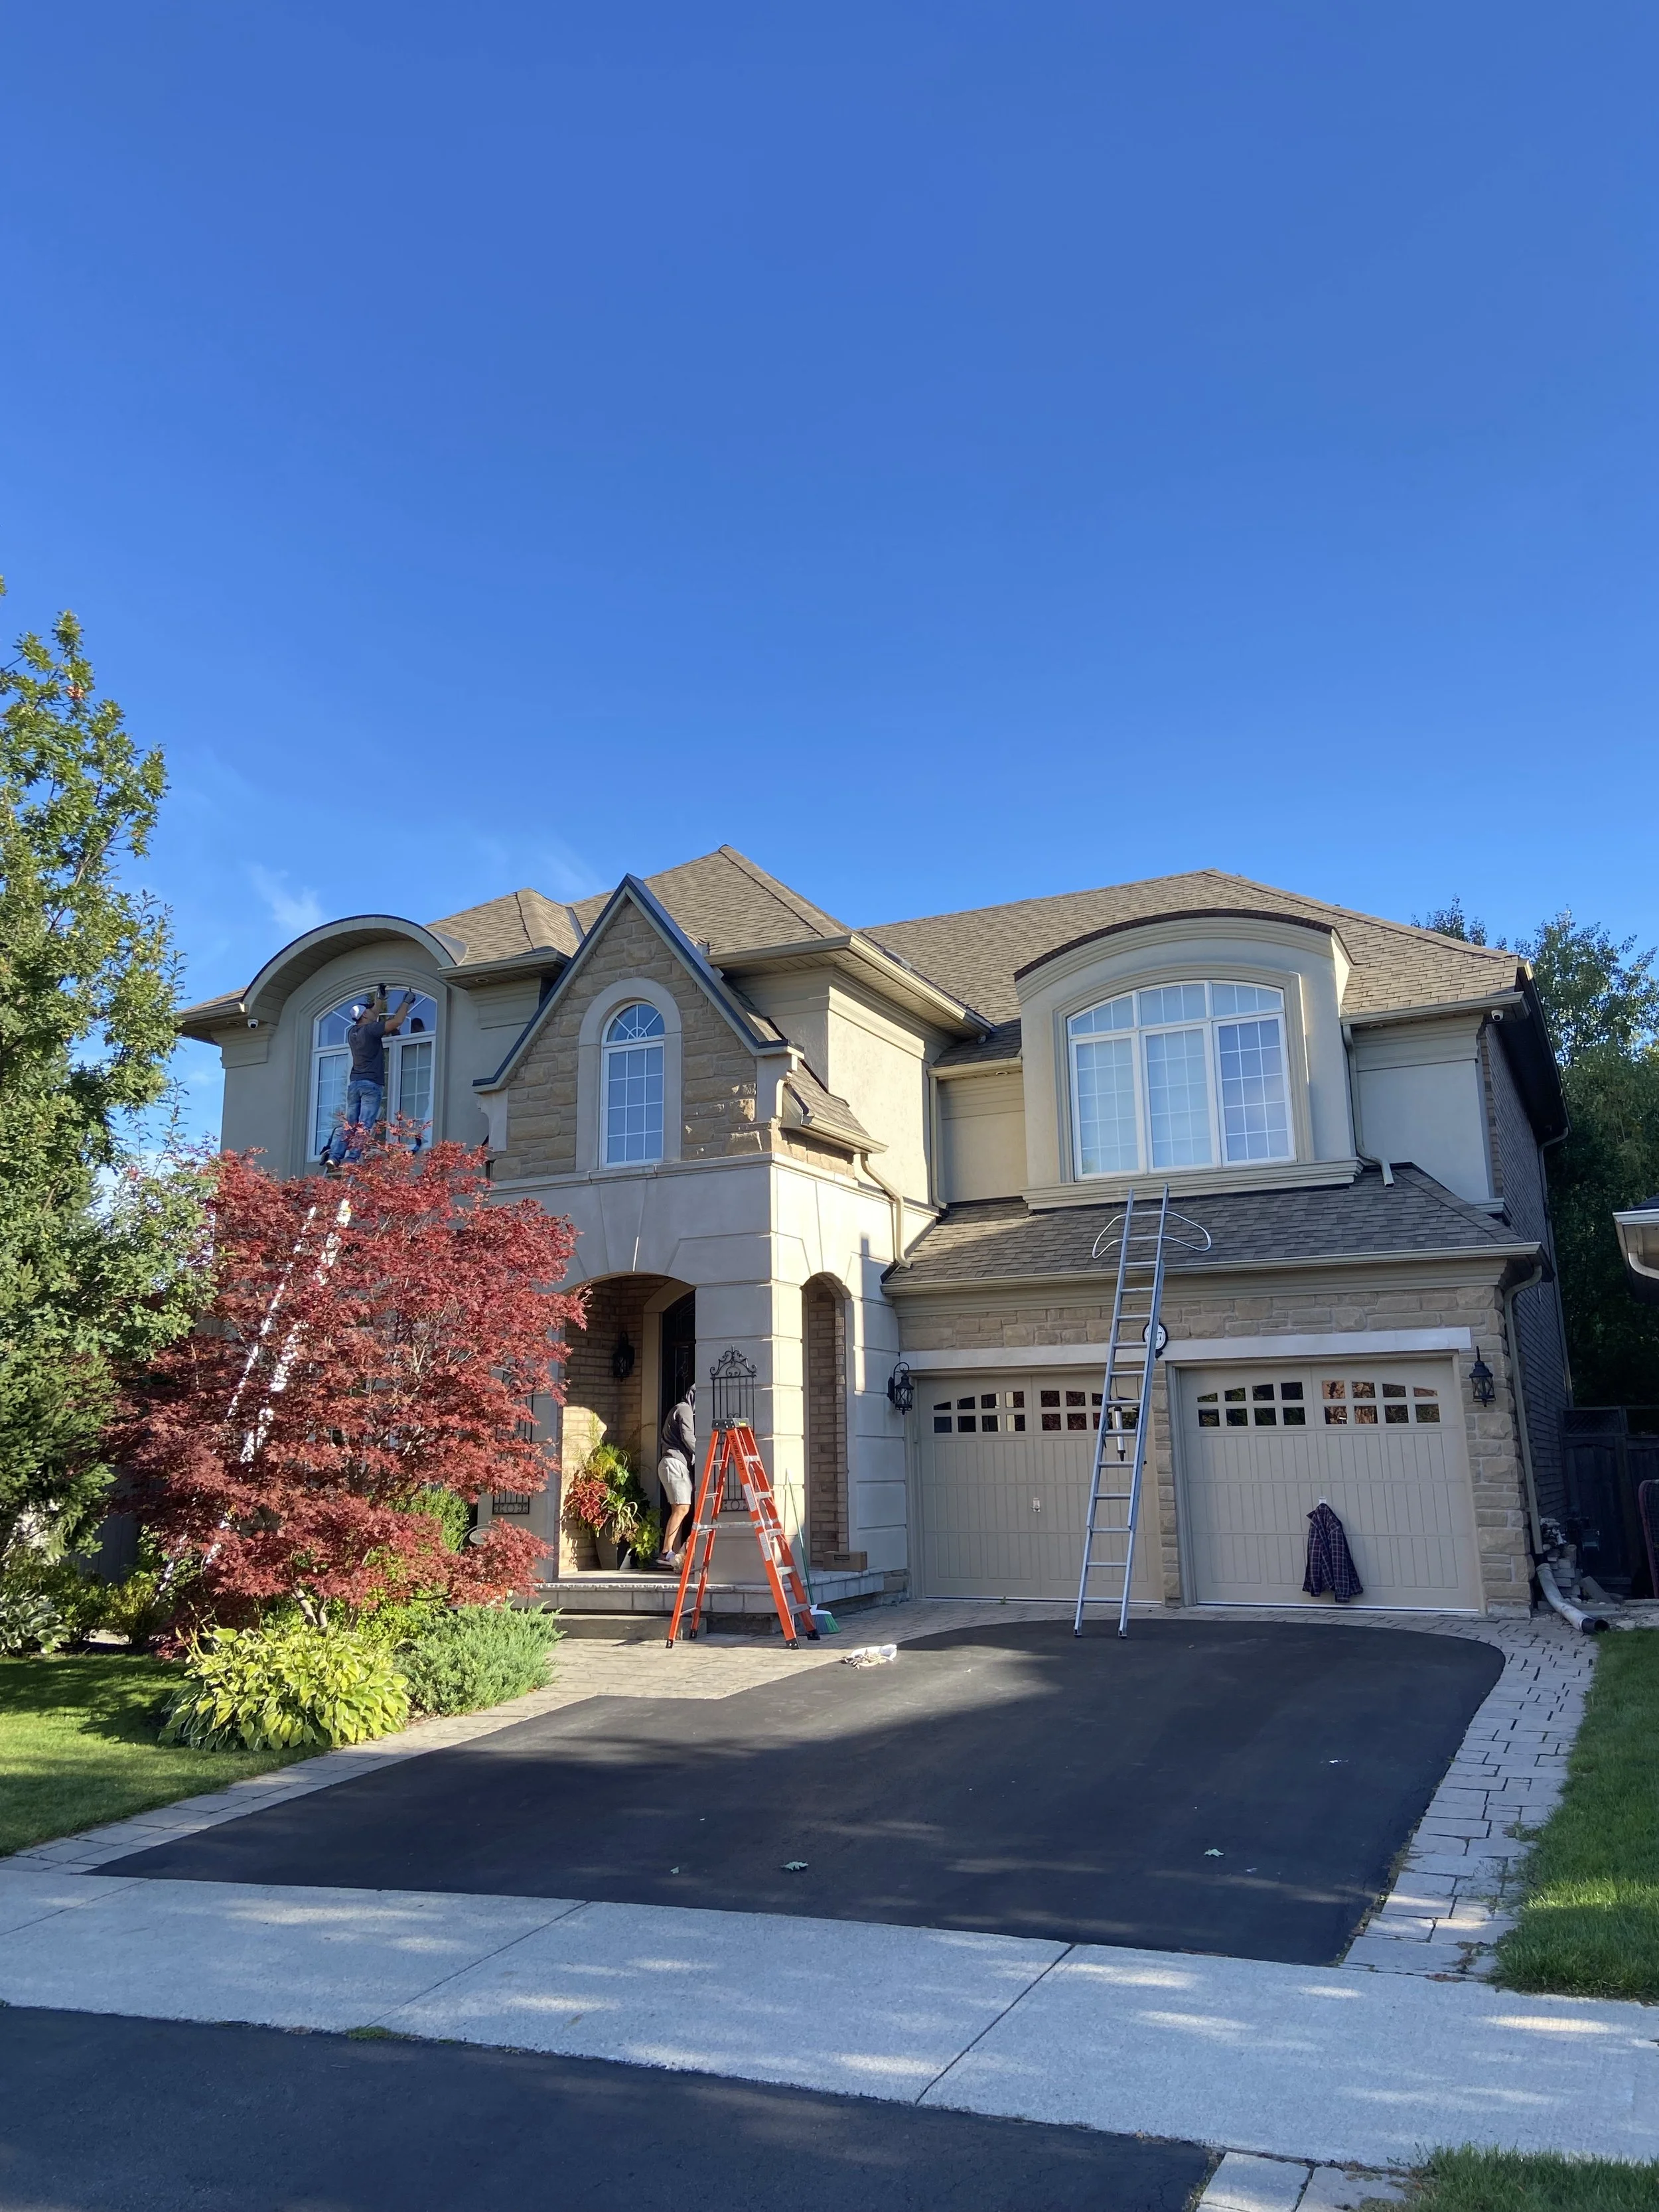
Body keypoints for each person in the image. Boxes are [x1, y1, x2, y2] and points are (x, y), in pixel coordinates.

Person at [325, 986, 416, 1167]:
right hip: (370, 1085)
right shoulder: (371, 1030)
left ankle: (334, 1157)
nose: (374, 1012)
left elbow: (373, 1013)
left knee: (350, 1124)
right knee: (364, 1124)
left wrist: (380, 998)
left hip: (355, 1085)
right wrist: (407, 1000)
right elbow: (397, 1022)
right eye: (370, 1010)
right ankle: (352, 1159)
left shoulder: (352, 1032)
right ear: (364, 1015)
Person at [655, 1384, 697, 1570]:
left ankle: (674, 1555)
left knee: (677, 1510)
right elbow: (689, 1438)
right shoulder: (684, 1409)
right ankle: (666, 1552)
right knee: (682, 1508)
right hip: (675, 1463)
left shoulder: (679, 1409)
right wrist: (702, 1452)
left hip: (669, 1463)